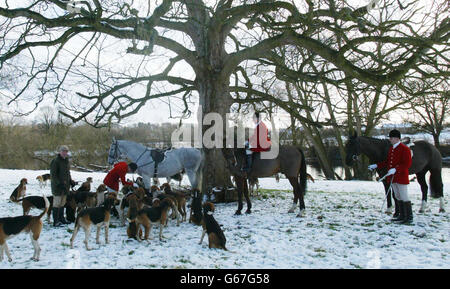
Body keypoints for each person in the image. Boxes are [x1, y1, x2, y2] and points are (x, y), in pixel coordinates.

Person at [368, 129, 413, 224]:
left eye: (391, 138)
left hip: (401, 176)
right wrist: (376, 165)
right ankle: (401, 215)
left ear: (397, 138)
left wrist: (396, 169)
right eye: (390, 138)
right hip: (393, 177)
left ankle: (408, 217)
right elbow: (388, 162)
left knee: (404, 196)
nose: (390, 140)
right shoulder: (392, 149)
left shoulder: (404, 149)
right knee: (397, 195)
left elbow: (407, 164)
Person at [50, 145, 74, 227]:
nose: (64, 153)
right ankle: (56, 221)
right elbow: (53, 175)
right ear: (60, 152)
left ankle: (62, 219)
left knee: (63, 203)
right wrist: (58, 184)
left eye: (66, 151)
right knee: (57, 203)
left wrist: (71, 181)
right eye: (63, 151)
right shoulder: (55, 161)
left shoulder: (66, 161)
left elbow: (68, 173)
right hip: (57, 187)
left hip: (65, 186)